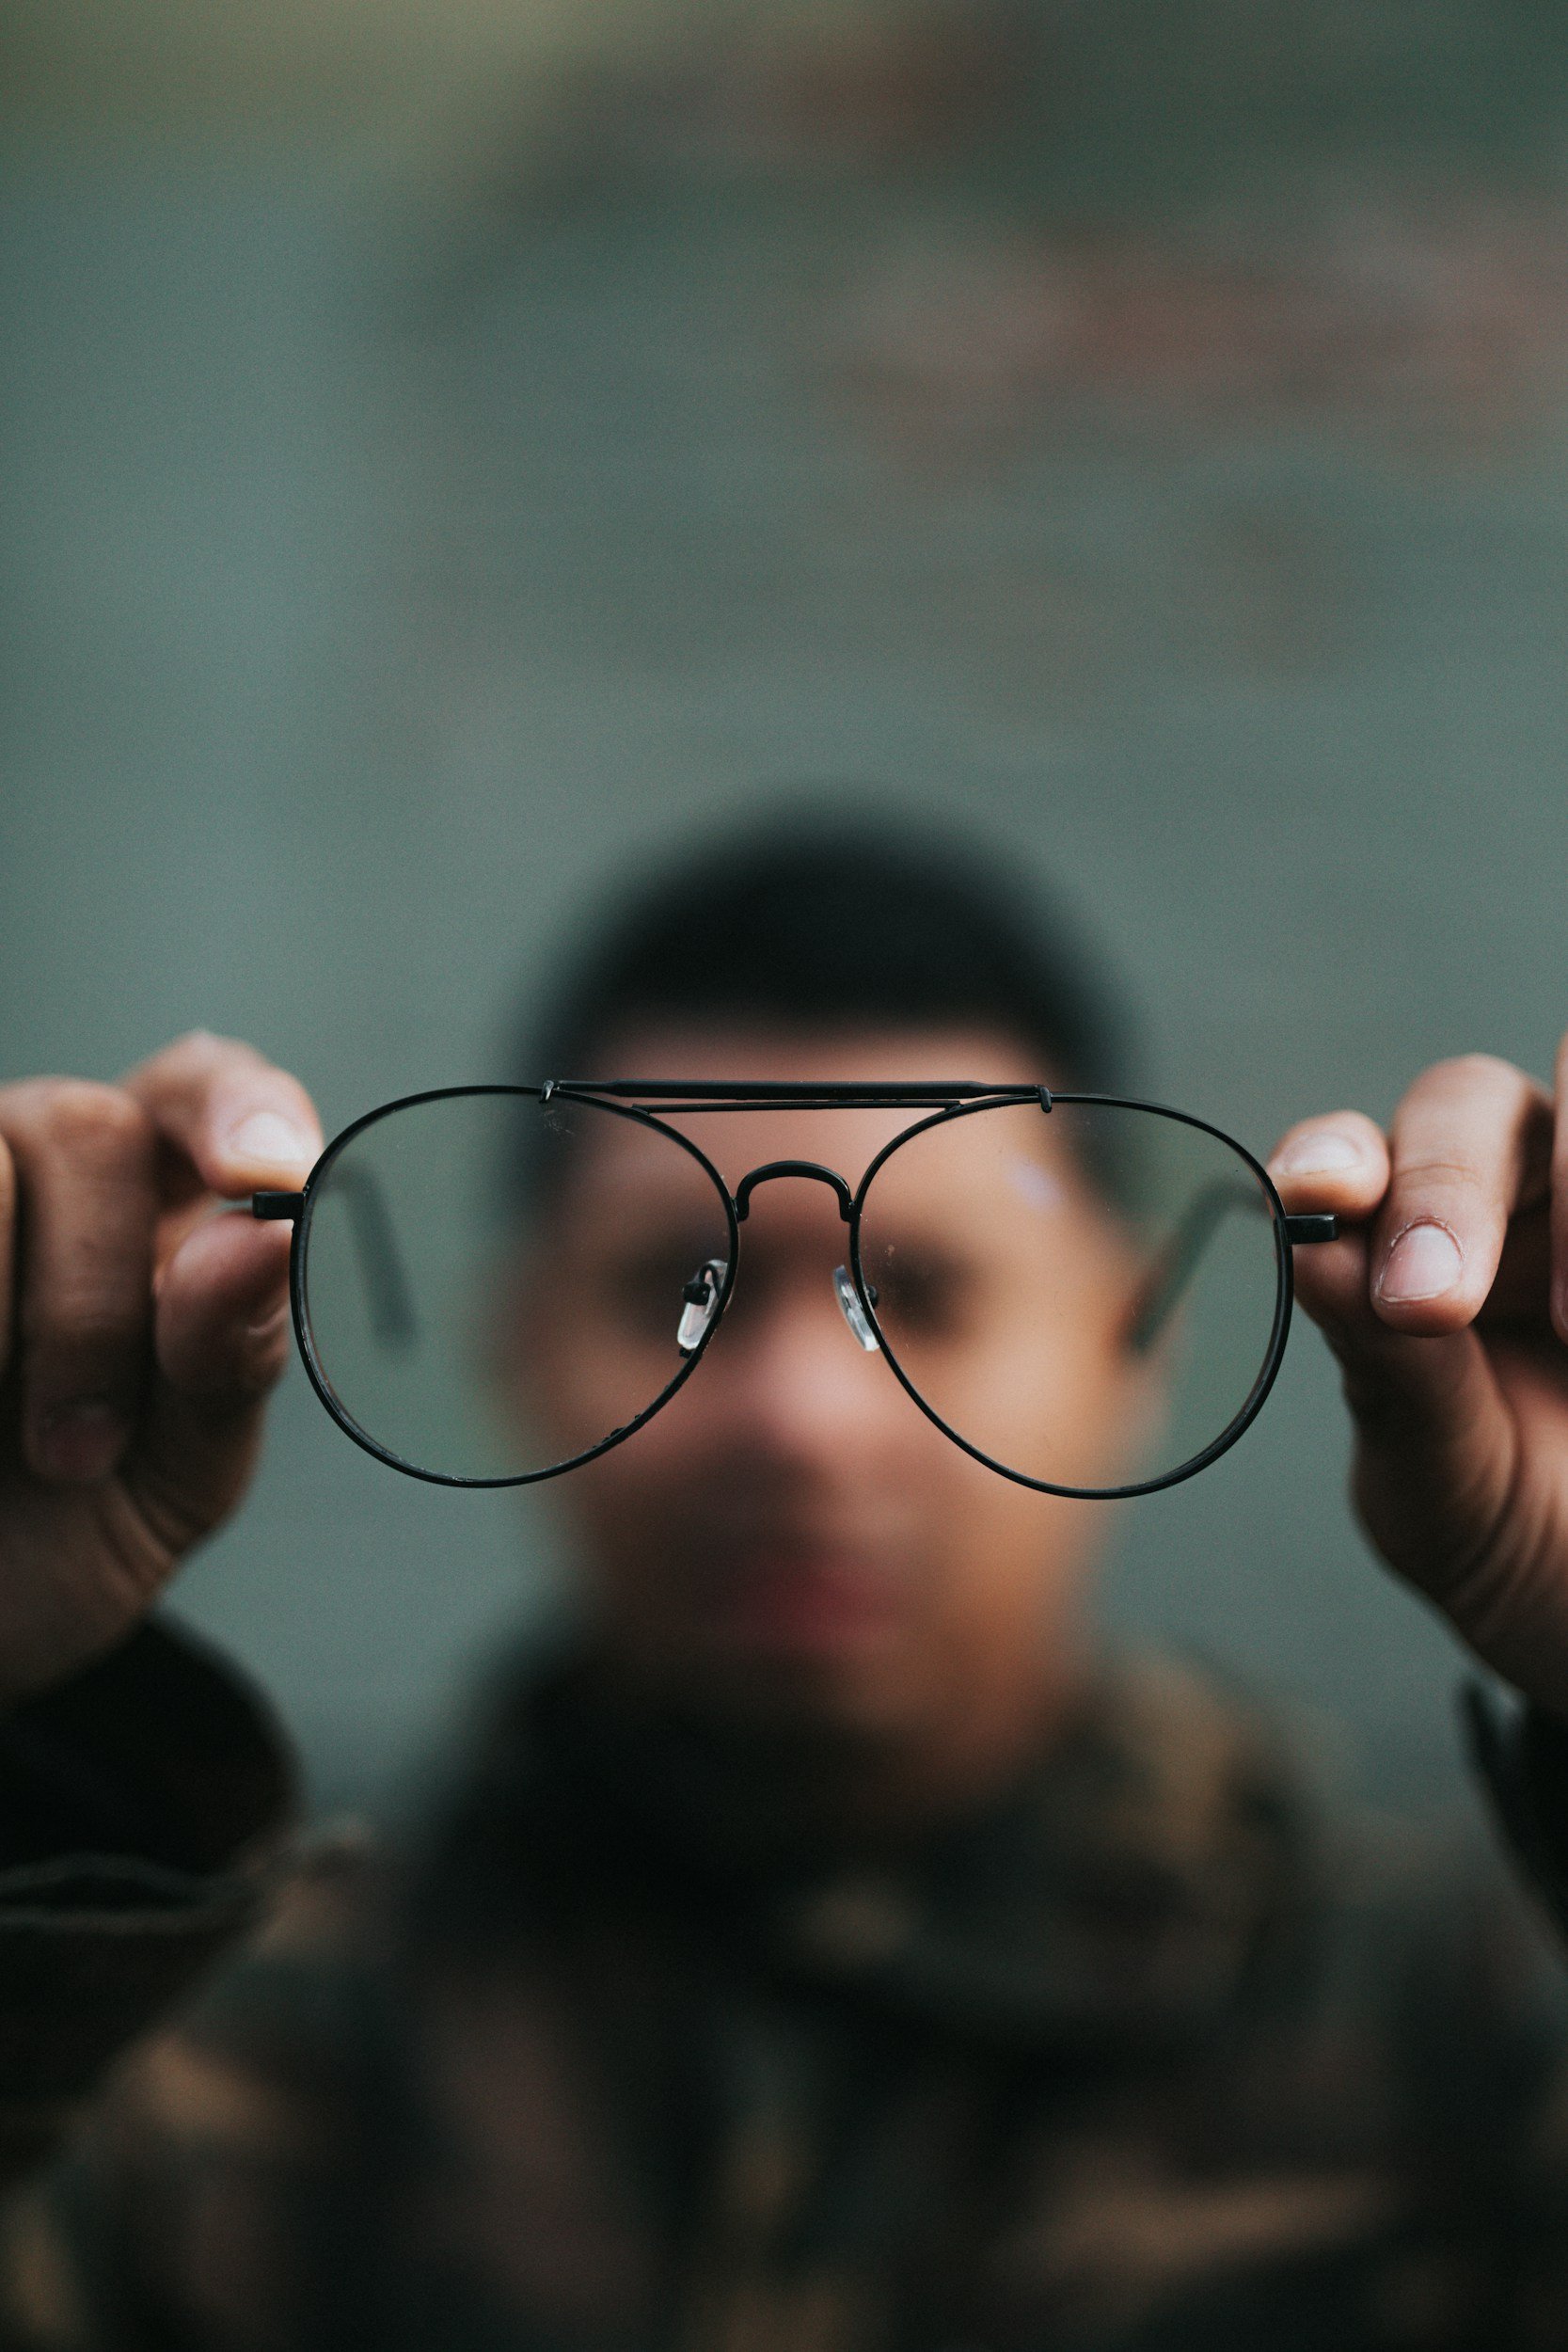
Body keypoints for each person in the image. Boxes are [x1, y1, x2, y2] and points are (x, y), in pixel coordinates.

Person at [2, 812, 1568, 2352]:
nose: (800, 1422)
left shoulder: (1462, 2015)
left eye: (924, 1292)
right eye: (677, 1286)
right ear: (516, 1345)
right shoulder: (174, 2043)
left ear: (1130, 1341)